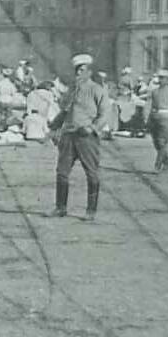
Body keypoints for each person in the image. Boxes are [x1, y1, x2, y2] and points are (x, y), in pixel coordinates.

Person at [47, 52, 111, 221]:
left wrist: (93, 128)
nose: (78, 73)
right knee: (62, 172)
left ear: (90, 72)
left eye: (82, 70)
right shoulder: (71, 90)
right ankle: (60, 207)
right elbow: (64, 111)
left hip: (86, 136)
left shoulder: (97, 90)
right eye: (76, 70)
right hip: (68, 135)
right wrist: (54, 127)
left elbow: (105, 114)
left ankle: (91, 210)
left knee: (91, 173)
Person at [147, 67, 168, 172]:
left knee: (161, 142)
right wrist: (148, 118)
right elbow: (151, 105)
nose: (161, 80)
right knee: (156, 143)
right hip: (155, 118)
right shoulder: (154, 92)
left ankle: (158, 164)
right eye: (160, 78)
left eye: (163, 78)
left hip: (166, 118)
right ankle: (167, 163)